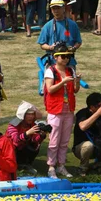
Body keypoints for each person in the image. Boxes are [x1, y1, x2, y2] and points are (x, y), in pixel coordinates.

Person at [43, 43, 80, 179]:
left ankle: (61, 165)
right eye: (63, 56)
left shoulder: (70, 70)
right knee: (54, 140)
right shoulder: (50, 71)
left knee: (64, 140)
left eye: (68, 57)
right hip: (55, 109)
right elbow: (50, 89)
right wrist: (63, 82)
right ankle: (51, 166)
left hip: (68, 109)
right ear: (55, 57)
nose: (65, 59)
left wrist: (77, 82)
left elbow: (75, 90)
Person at [72, 92, 101, 176]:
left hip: (99, 145)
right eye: (100, 105)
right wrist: (97, 114)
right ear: (92, 107)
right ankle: (83, 168)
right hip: (81, 148)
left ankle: (98, 165)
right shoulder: (83, 113)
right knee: (88, 145)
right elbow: (83, 126)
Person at [5, 100, 46, 174]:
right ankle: (15, 164)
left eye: (32, 114)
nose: (31, 116)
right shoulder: (13, 125)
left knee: (35, 146)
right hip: (12, 149)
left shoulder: (32, 124)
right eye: (28, 114)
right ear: (23, 115)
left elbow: (34, 140)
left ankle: (26, 164)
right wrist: (27, 133)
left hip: (23, 147)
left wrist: (41, 135)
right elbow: (16, 139)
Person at [38, 0, 82, 64]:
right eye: (53, 8)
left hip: (68, 60)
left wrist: (73, 48)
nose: (56, 11)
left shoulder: (73, 25)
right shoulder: (47, 26)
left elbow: (78, 42)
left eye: (58, 8)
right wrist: (50, 47)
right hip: (52, 61)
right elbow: (42, 44)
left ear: (63, 8)